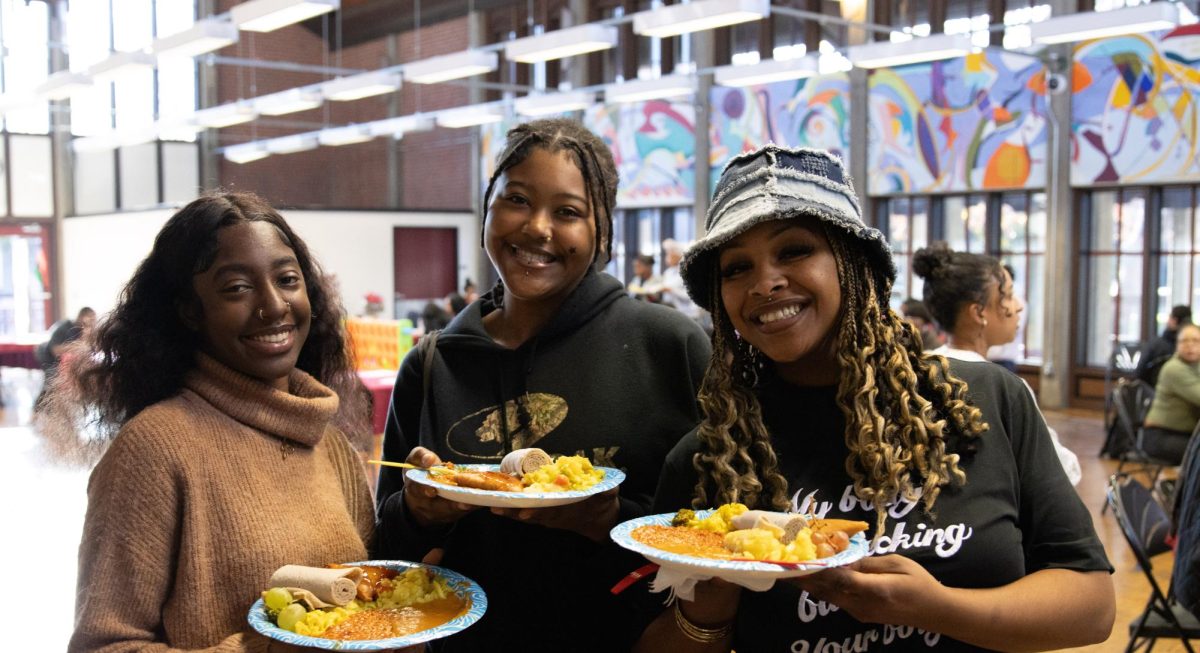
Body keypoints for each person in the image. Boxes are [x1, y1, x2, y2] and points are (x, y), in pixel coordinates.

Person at [637, 145, 1113, 652]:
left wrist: (934, 608)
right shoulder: (710, 457)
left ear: (853, 263)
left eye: (794, 250)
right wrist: (706, 612)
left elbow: (1091, 606)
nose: (765, 283)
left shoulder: (983, 403)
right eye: (735, 268)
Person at [375, 118, 710, 652]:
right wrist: (418, 512)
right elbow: (386, 547)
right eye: (516, 200)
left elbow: (714, 534)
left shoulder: (668, 346)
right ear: (488, 209)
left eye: (568, 212)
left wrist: (610, 520)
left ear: (602, 231)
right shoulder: (433, 363)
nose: (536, 227)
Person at [49, 192, 376, 651]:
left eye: (287, 279)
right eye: (237, 288)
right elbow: (103, 645)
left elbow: (367, 598)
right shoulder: (153, 450)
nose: (273, 306)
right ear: (189, 311)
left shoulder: (329, 441)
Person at [913, 242, 1082, 486]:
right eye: (1010, 295)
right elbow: (1062, 471)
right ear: (979, 313)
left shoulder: (914, 372)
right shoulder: (1006, 388)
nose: (1018, 306)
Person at [1142, 323, 1200, 465]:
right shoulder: (1174, 369)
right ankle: (1184, 486)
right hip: (1161, 437)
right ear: (1176, 345)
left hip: (1183, 434)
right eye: (1184, 341)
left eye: (1195, 341)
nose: (1190, 345)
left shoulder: (1196, 365)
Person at [34, 306, 96, 408]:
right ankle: (39, 408)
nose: (92, 322)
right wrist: (77, 346)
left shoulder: (83, 330)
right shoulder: (63, 328)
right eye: (90, 318)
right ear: (81, 316)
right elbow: (56, 350)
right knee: (51, 381)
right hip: (50, 359)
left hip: (68, 362)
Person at [1137, 304, 1193, 386]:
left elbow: (1139, 372)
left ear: (1174, 320)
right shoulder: (1192, 350)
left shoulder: (1155, 344)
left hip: (1152, 391)